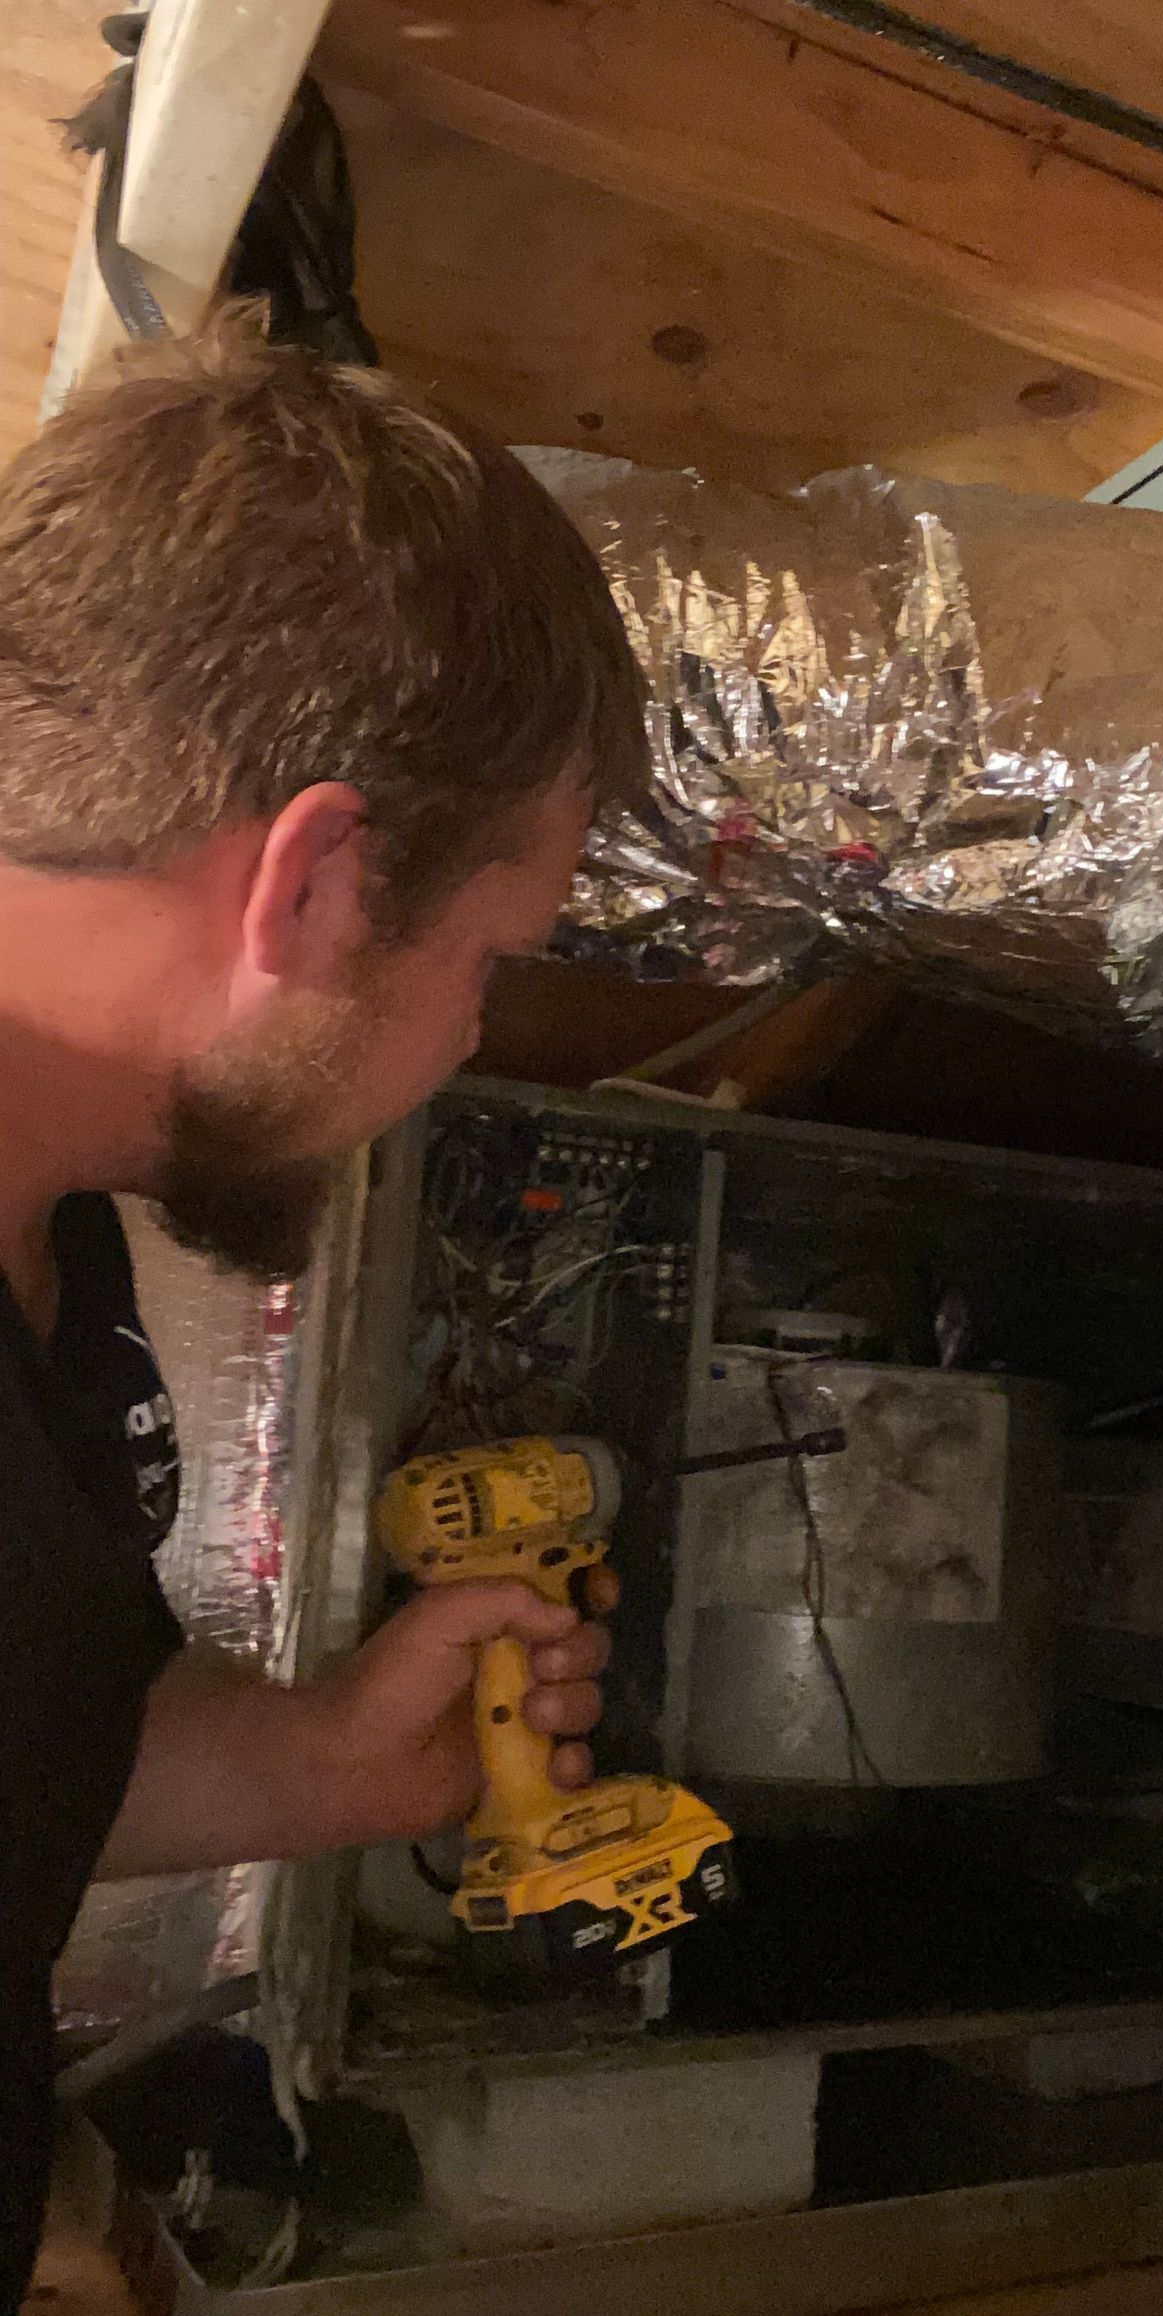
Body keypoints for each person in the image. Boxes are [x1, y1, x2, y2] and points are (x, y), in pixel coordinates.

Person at [0, 314, 649, 2307]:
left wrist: (315, 1766)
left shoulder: (62, 1237)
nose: (467, 1038)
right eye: (492, 961)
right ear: (321, 884)